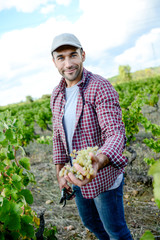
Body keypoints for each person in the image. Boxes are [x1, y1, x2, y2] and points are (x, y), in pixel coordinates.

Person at [50, 33, 133, 240]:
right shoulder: (56, 94)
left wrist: (99, 160)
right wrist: (60, 173)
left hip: (102, 176)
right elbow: (58, 137)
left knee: (116, 231)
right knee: (91, 223)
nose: (68, 63)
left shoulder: (99, 86)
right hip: (76, 176)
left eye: (73, 55)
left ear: (83, 55)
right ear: (54, 62)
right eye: (61, 57)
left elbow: (115, 132)